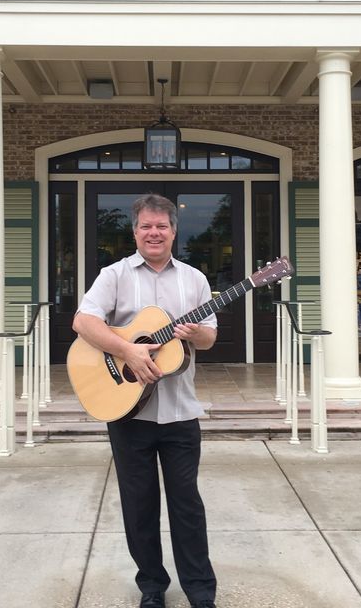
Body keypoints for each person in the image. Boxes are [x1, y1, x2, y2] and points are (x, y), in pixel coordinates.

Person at [72, 194, 219, 608]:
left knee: (187, 504)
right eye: (146, 226)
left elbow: (209, 338)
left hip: (180, 411)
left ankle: (200, 591)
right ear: (135, 231)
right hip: (126, 410)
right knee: (139, 506)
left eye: (162, 226)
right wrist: (127, 350)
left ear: (174, 231)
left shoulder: (194, 279)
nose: (154, 233)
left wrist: (195, 335)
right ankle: (152, 587)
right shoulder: (114, 275)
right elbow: (83, 321)